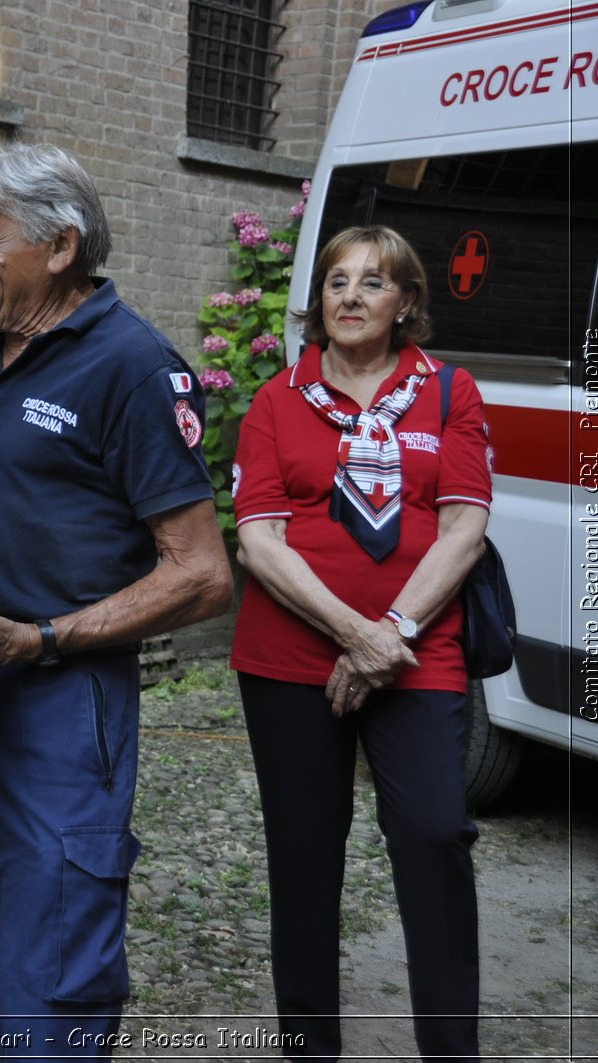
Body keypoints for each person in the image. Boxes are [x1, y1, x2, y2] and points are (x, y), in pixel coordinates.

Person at [0, 144, 232, 1056]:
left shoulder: (134, 366)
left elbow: (200, 572)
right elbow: (0, 491)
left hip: (59, 707)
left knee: (52, 953)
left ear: (59, 246)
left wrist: (44, 637)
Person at [231, 225, 488, 1062]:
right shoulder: (277, 400)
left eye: (373, 283)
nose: (350, 296)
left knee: (435, 831)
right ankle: (310, 1046)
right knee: (304, 856)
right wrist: (352, 633)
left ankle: (452, 1048)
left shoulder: (449, 393)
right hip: (290, 659)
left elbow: (464, 530)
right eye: (337, 281)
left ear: (407, 301)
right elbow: (259, 540)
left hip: (419, 654)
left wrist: (391, 635)